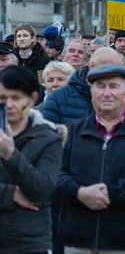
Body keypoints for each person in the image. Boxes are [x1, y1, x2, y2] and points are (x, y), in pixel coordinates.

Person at [56, 64, 125, 254]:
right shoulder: (73, 131)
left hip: (123, 242)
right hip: (77, 240)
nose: (106, 93)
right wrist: (80, 193)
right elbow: (56, 176)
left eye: (113, 86)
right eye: (100, 86)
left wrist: (112, 193)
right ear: (91, 94)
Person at [0, 66, 64, 254]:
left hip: (27, 242)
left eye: (16, 98)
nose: (9, 105)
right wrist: (11, 195)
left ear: (33, 98)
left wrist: (11, 155)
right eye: (3, 98)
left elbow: (42, 190)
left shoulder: (48, 138)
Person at [42, 47, 124, 125]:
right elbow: (46, 136)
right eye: (111, 69)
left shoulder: (119, 98)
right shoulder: (57, 99)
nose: (116, 75)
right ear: (92, 66)